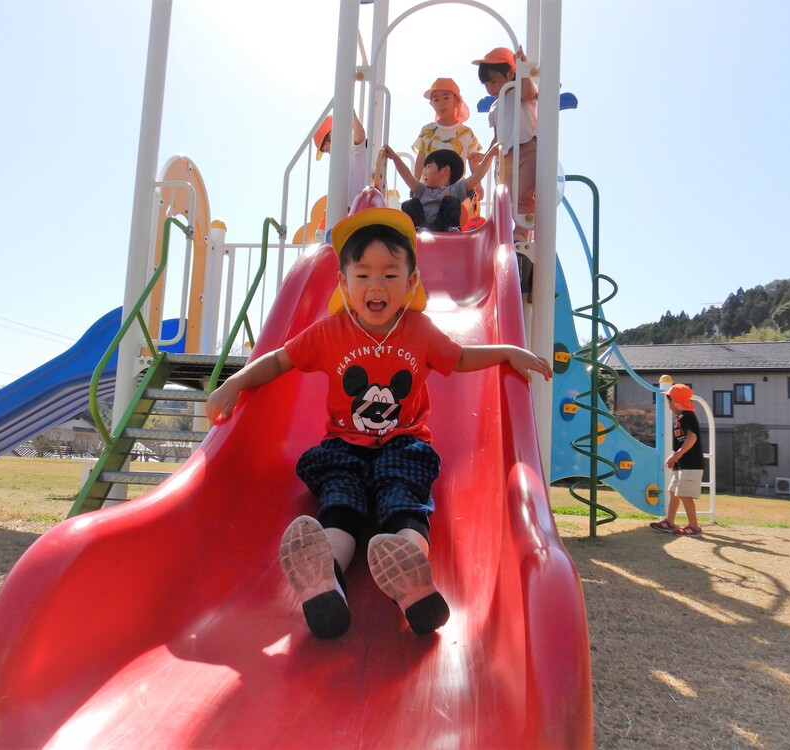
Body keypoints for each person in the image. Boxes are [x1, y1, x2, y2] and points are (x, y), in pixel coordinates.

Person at [205, 208, 552, 638]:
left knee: (402, 499)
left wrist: (507, 351)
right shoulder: (329, 332)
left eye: (390, 275)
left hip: (402, 444)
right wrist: (234, 382)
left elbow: (460, 358)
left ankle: (410, 573)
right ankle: (325, 576)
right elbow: (279, 360)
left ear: (410, 284)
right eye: (363, 273)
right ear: (344, 283)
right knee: (340, 503)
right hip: (344, 448)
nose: (376, 285)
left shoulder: (419, 330)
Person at [472, 47, 538, 249]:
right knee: (504, 198)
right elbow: (497, 137)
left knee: (524, 197)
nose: (490, 88)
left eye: (494, 81)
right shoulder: (494, 107)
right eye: (486, 84)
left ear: (510, 74)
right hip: (505, 156)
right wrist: (486, 157)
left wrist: (523, 69)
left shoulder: (519, 90)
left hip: (527, 150)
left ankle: (519, 236)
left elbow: (529, 94)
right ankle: (500, 237)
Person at [383, 143, 498, 232]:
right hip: (422, 226)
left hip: (444, 227)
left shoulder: (455, 189)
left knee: (451, 201)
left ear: (445, 171)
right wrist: (394, 156)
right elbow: (407, 175)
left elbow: (477, 176)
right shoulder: (422, 190)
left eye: (428, 167)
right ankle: (416, 228)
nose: (424, 172)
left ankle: (451, 228)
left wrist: (490, 155)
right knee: (410, 203)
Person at [649, 384, 705, 536]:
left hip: (690, 464)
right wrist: (674, 456)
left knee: (684, 494)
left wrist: (677, 455)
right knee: (673, 492)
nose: (668, 403)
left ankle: (694, 527)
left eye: (669, 399)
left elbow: (692, 437)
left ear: (676, 401)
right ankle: (669, 522)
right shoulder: (680, 417)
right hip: (681, 464)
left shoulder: (687, 416)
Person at [411, 77, 483, 181]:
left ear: (456, 101)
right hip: (428, 189)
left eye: (446, 98)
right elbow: (420, 158)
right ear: (431, 104)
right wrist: (415, 184)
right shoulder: (427, 130)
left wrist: (478, 184)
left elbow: (473, 160)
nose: (441, 103)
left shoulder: (466, 132)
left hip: (456, 188)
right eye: (436, 99)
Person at [313, 111, 369, 211]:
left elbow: (360, 137)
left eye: (327, 149)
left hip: (357, 207)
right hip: (350, 208)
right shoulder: (342, 161)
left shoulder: (349, 143)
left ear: (331, 135)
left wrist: (353, 116)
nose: (329, 153)